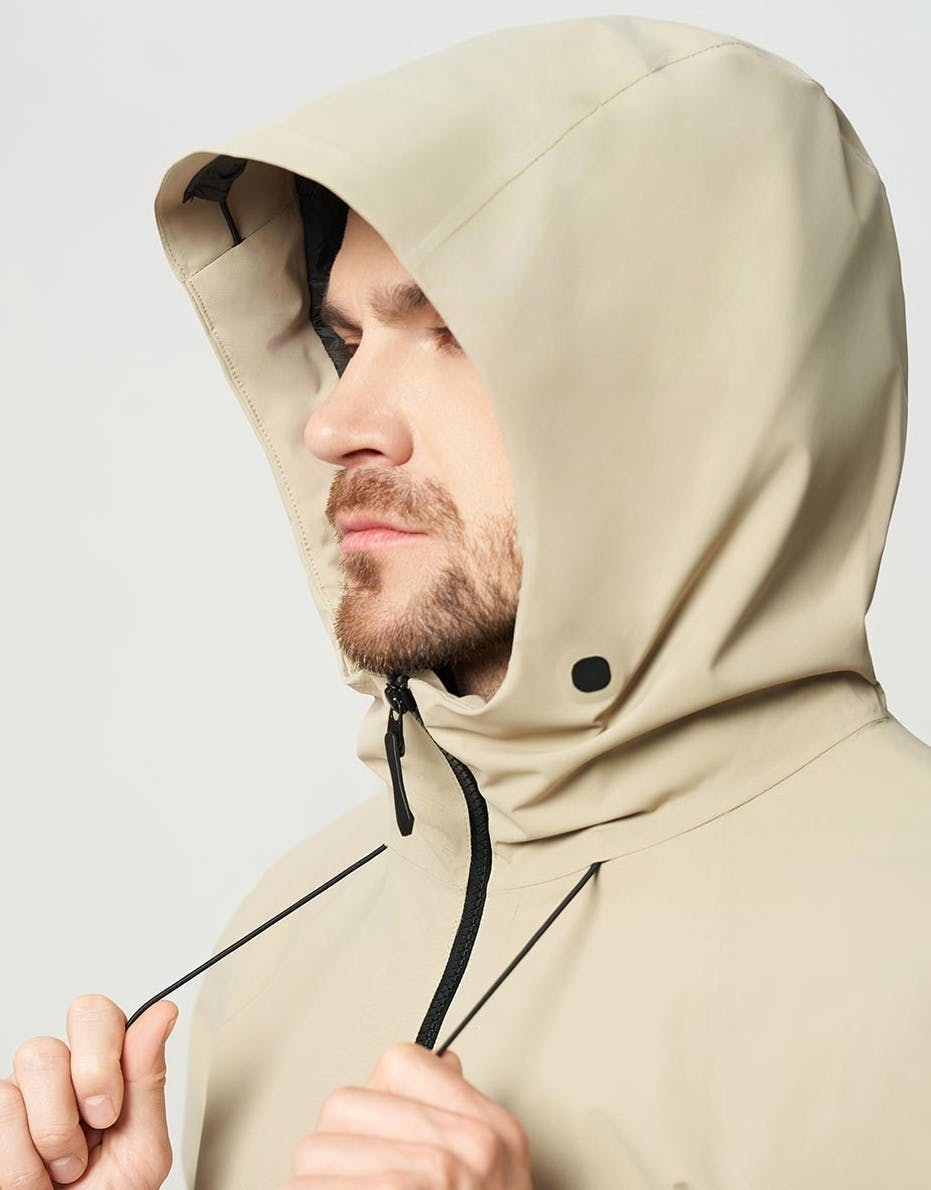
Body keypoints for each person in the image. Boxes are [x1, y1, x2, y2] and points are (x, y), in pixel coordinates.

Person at [3, 13, 930, 1189]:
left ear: (696, 390)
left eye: (449, 331)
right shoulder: (284, 931)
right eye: (345, 338)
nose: (334, 422)